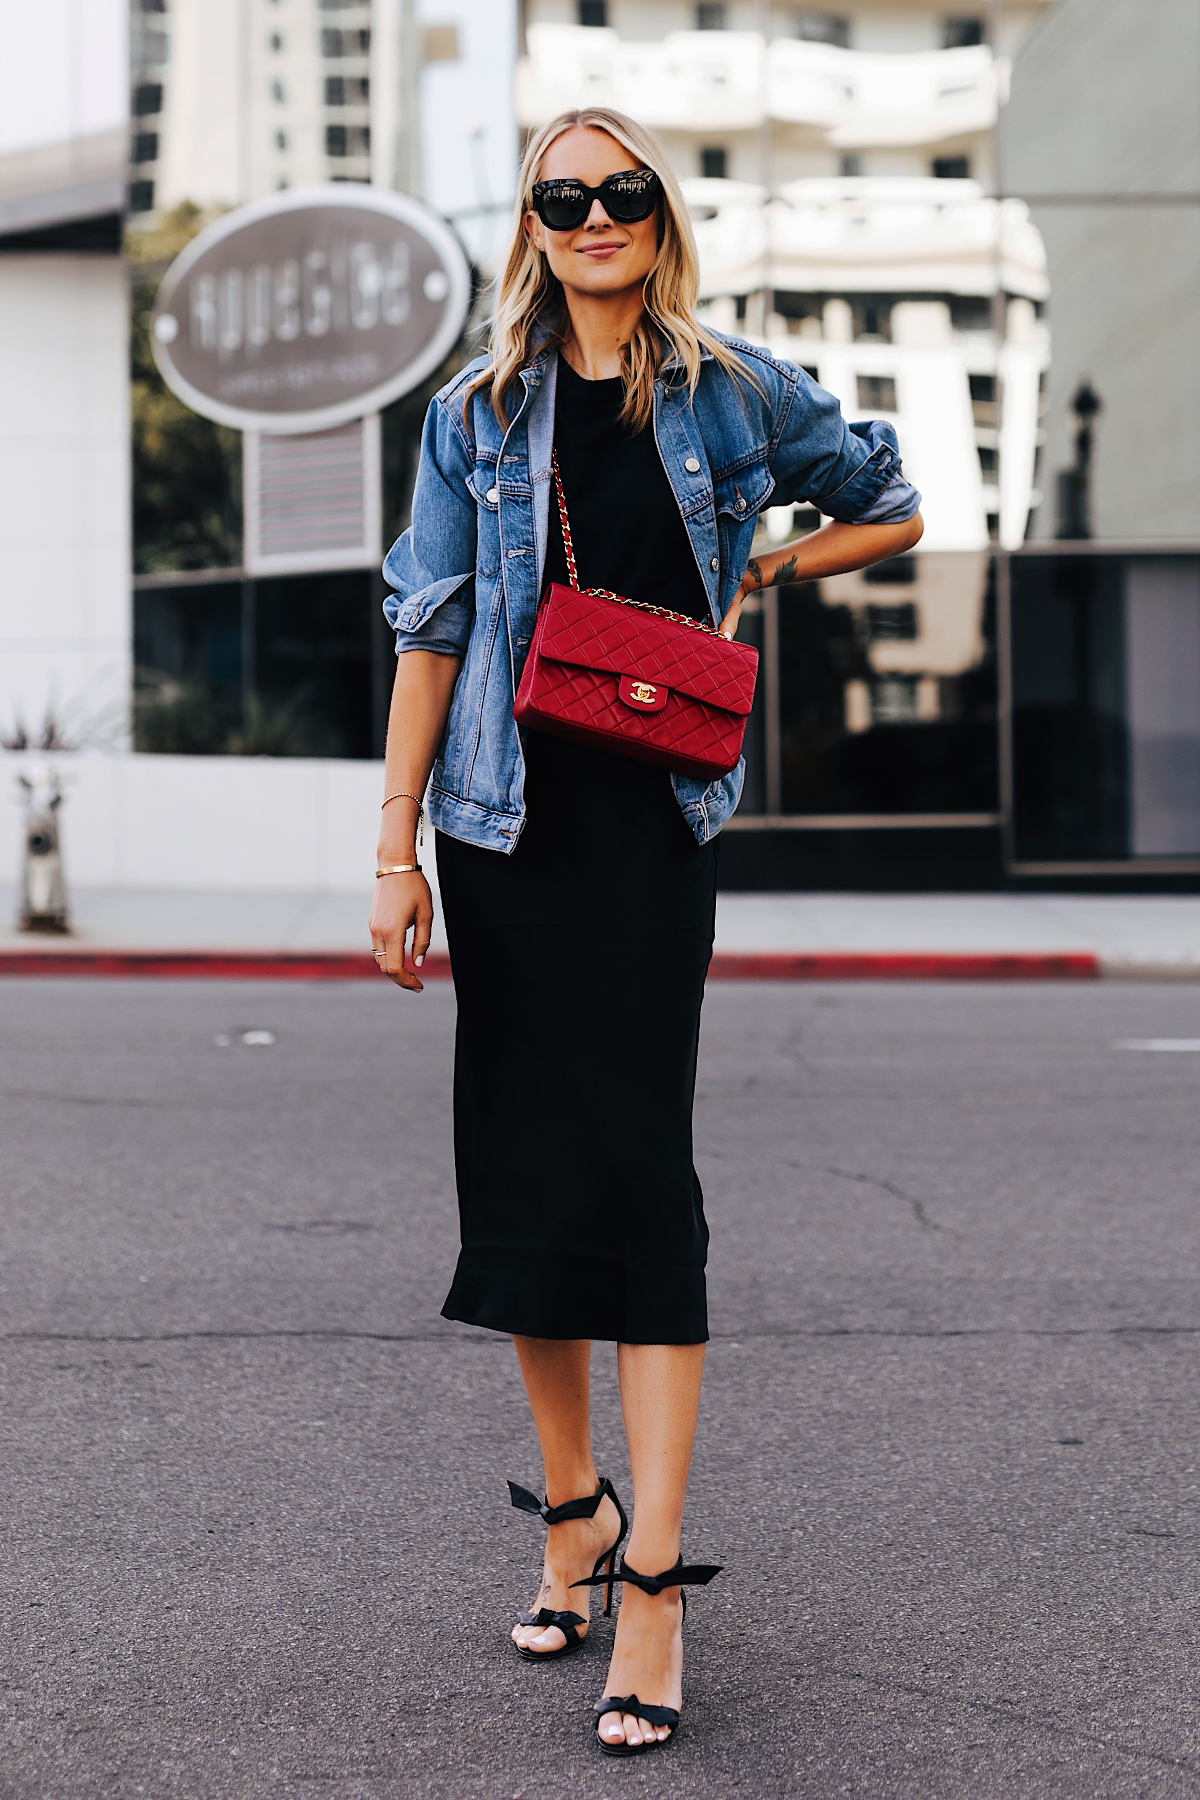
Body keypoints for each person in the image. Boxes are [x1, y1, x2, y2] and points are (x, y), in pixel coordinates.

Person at [369, 105, 922, 1757]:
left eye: (621, 194)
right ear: (531, 224)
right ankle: (573, 1518)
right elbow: (433, 622)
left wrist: (765, 570)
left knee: (643, 1183)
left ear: (657, 217)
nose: (593, 217)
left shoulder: (735, 389)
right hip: (507, 832)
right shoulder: (476, 413)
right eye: (563, 195)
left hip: (649, 832)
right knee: (528, 1185)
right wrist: (391, 847)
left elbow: (888, 496)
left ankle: (659, 1585)